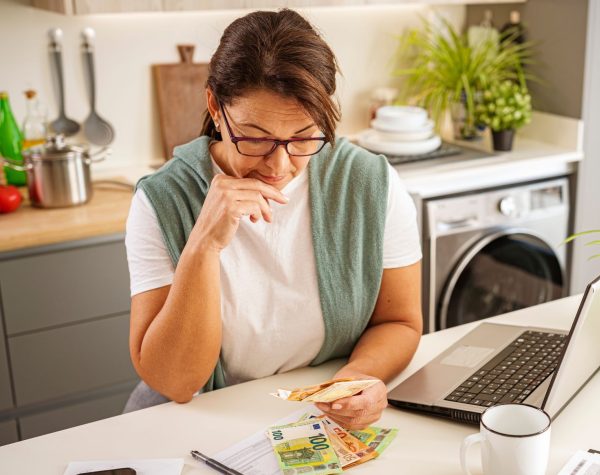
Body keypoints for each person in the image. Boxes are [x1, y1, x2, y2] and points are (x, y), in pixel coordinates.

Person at [123, 9, 422, 430]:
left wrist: (358, 376)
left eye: (303, 137)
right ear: (214, 105)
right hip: (193, 418)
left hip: (308, 415)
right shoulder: (161, 200)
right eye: (254, 138)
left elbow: (400, 321)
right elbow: (175, 383)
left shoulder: (371, 184)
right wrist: (203, 246)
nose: (279, 165)